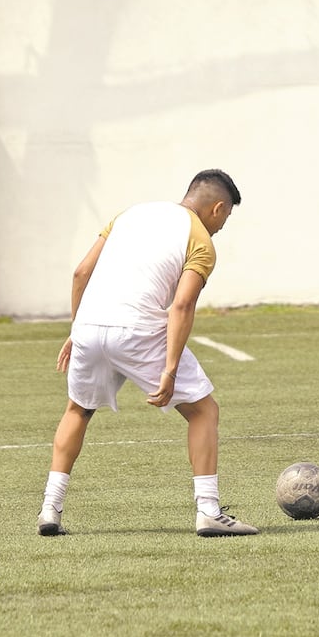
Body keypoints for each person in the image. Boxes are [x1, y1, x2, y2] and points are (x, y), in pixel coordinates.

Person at [36, 169, 258, 538]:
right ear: (218, 208)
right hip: (138, 330)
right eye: (226, 218)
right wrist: (170, 370)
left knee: (78, 409)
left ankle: (49, 509)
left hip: (90, 326)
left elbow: (80, 274)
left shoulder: (129, 214)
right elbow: (182, 306)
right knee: (204, 410)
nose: (221, 227)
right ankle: (208, 510)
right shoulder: (200, 239)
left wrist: (78, 330)